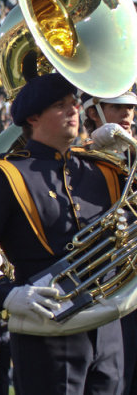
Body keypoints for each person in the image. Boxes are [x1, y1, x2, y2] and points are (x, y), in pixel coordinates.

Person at [0, 73, 125, 395]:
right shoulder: (8, 176)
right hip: (49, 332)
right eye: (61, 105)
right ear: (33, 117)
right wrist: (7, 295)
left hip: (109, 328)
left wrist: (126, 156)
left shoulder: (100, 169)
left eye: (74, 103)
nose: (74, 110)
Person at [79, 87, 137, 395]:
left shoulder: (134, 157)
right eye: (118, 107)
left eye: (131, 107)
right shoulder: (77, 162)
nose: (128, 113)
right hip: (107, 292)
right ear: (94, 112)